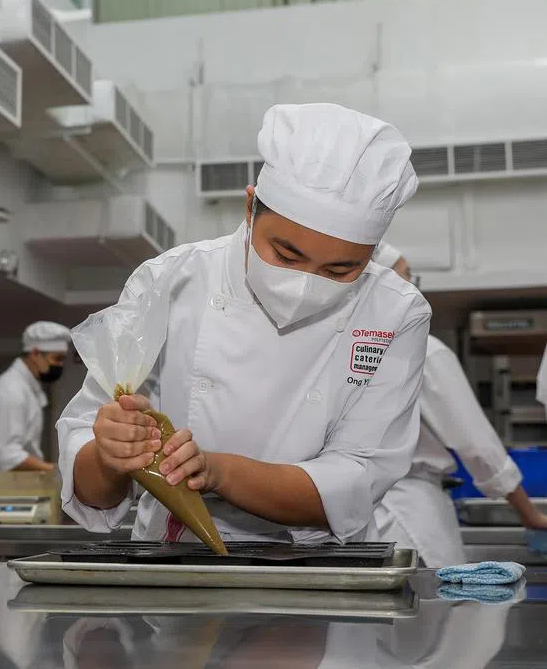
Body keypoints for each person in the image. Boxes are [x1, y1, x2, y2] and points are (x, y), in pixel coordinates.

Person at [57, 103, 431, 544]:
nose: (304, 285)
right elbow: (94, 493)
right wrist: (109, 455)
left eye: (339, 270)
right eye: (287, 255)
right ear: (250, 206)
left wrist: (219, 470)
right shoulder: (171, 281)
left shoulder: (395, 312)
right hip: (176, 564)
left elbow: (357, 479)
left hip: (320, 569)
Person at [369, 241, 547, 566]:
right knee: (433, 612)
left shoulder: (351, 346)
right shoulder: (420, 347)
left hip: (358, 526)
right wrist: (530, 513)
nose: (414, 288)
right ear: (382, 282)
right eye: (407, 276)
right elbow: (479, 447)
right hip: (412, 520)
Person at [0, 322, 71, 471]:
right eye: (56, 359)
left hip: (9, 486)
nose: (60, 365)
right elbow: (9, 455)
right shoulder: (10, 391)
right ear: (36, 354)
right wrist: (57, 471)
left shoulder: (27, 388)